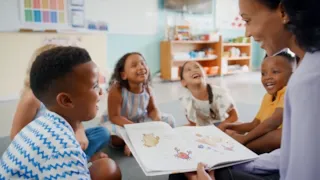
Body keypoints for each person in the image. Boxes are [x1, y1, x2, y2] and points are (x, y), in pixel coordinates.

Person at [171, 0, 320, 179]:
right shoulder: (308, 68)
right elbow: (292, 153)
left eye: (248, 20)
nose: (247, 33)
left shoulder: (309, 81)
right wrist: (245, 165)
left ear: (283, 12)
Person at [0, 46, 121, 179]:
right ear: (66, 100)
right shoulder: (64, 151)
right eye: (95, 86)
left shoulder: (45, 122)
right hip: (58, 159)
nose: (101, 92)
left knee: (108, 168)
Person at [100, 52, 176, 156]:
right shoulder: (117, 90)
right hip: (120, 123)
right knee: (114, 138)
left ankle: (139, 138)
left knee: (169, 120)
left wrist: (157, 121)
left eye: (143, 63)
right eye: (134, 65)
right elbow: (114, 117)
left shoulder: (147, 89)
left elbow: (152, 109)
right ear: (123, 75)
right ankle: (136, 140)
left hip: (140, 120)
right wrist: (136, 128)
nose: (141, 67)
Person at [221, 52, 294, 154]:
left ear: (293, 75)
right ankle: (239, 145)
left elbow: (273, 122)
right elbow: (254, 124)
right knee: (232, 129)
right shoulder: (267, 97)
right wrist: (229, 126)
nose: (267, 77)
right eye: (263, 73)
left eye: (275, 72)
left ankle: (241, 147)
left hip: (280, 139)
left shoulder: (288, 92)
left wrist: (244, 138)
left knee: (281, 134)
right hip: (264, 138)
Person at [179, 61, 238, 128]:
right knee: (181, 129)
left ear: (205, 74)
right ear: (183, 82)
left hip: (223, 124)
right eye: (188, 70)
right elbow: (192, 123)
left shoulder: (219, 93)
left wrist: (219, 129)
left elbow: (234, 117)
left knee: (235, 129)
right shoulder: (185, 99)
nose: (194, 70)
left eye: (197, 67)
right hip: (203, 128)